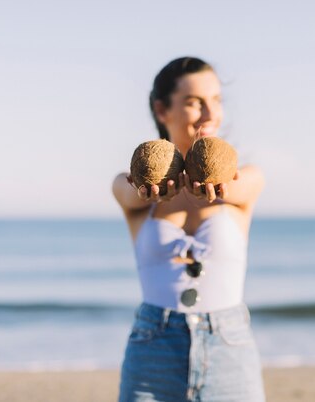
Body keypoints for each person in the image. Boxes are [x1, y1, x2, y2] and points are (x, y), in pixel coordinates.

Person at [112, 57, 266, 402]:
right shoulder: (133, 186)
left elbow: (241, 186)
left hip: (228, 346)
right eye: (195, 102)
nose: (211, 115)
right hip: (153, 348)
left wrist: (220, 185)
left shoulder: (246, 178)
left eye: (217, 101)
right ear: (162, 109)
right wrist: (147, 187)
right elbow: (127, 191)